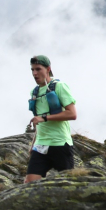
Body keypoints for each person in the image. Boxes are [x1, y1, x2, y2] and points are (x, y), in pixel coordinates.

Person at [25, 55, 77, 183]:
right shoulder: (34, 92)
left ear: (48, 69)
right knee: (29, 184)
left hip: (60, 144)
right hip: (41, 145)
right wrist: (33, 144)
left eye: (38, 69)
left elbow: (72, 114)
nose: (34, 73)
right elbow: (38, 119)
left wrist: (44, 118)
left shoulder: (59, 86)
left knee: (67, 185)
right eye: (32, 70)